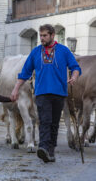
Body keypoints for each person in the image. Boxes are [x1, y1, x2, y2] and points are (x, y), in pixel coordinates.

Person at [10, 24, 81, 163]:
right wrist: (15, 89)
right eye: (40, 36)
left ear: (52, 35)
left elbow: (75, 67)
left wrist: (74, 77)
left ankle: (51, 150)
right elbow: (25, 72)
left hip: (60, 93)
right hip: (41, 93)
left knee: (54, 123)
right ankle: (43, 148)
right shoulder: (36, 52)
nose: (41, 38)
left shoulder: (64, 51)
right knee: (45, 120)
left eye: (44, 36)